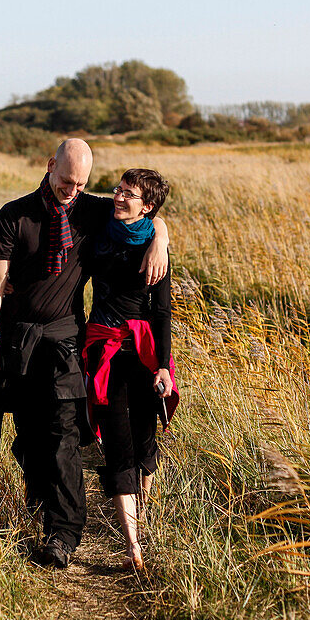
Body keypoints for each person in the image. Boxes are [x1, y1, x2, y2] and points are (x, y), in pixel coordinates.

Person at [0, 139, 169, 569]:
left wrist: (162, 240)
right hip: (17, 340)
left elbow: (144, 214)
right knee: (28, 436)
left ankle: (63, 534)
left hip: (65, 340)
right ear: (49, 167)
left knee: (64, 436)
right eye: (66, 181)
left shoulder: (90, 209)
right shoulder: (14, 214)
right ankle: (39, 503)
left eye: (81, 183)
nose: (73, 190)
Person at [81, 168, 178, 572]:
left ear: (148, 206)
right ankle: (132, 545)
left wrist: (163, 368)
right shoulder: (100, 229)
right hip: (105, 351)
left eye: (129, 194)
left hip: (145, 354)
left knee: (144, 442)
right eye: (119, 189)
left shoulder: (154, 249)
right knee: (118, 446)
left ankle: (145, 513)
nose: (118, 197)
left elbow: (162, 313)